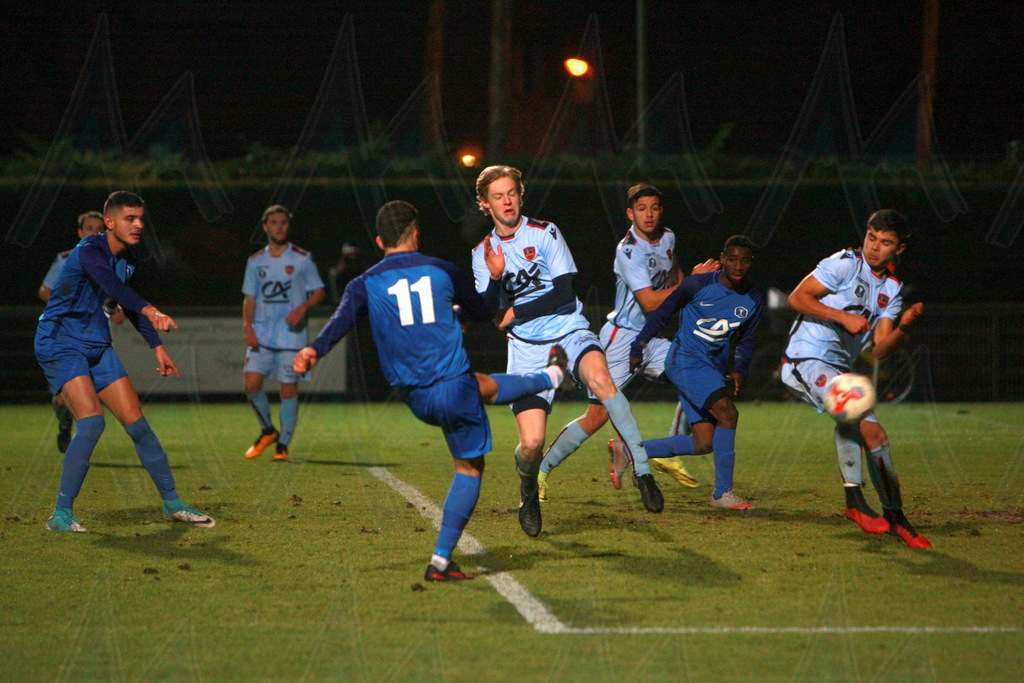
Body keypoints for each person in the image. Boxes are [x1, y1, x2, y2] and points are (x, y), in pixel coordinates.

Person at [294, 200, 573, 582]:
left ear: (380, 241)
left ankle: (551, 376)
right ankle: (441, 559)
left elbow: (341, 321)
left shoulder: (363, 283)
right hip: (452, 389)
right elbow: (483, 312)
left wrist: (313, 350)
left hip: (414, 397)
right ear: (416, 233)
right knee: (469, 468)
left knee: (482, 385)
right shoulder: (443, 270)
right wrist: (494, 277)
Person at [470, 165, 664, 537]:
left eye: (512, 193)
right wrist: (495, 277)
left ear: (520, 195)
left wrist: (517, 311)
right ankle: (528, 486)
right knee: (531, 444)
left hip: (569, 331)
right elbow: (490, 314)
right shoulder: (483, 253)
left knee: (603, 380)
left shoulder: (545, 232)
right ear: (485, 204)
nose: (507, 201)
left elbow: (562, 294)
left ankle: (643, 471)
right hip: (527, 351)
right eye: (498, 196)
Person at [34, 190, 215, 532]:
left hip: (96, 343)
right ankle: (61, 515)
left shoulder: (129, 257)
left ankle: (173, 504)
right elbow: (114, 288)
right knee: (92, 423)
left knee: (138, 424)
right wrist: (151, 309)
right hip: (60, 341)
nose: (138, 225)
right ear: (109, 222)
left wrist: (156, 347)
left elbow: (127, 303)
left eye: (141, 219)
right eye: (130, 218)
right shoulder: (90, 250)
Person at [537, 183, 718, 500]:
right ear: (630, 214)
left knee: (697, 372)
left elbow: (674, 274)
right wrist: (692, 285)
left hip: (652, 339)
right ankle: (540, 471)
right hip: (621, 340)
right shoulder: (628, 250)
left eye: (654, 208)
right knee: (597, 417)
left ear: (661, 211)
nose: (649, 214)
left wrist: (690, 288)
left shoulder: (668, 237)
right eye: (642, 209)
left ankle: (668, 450)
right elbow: (649, 301)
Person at [780, 209, 929, 548]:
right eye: (871, 237)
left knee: (873, 434)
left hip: (838, 368)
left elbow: (880, 349)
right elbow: (797, 298)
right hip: (805, 358)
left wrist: (904, 327)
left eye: (885, 242)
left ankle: (887, 514)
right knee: (865, 426)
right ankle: (866, 507)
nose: (874, 247)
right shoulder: (844, 264)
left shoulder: (891, 289)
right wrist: (841, 317)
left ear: (899, 249)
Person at [611, 235, 764, 509]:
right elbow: (662, 314)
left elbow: (746, 339)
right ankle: (722, 494)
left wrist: (740, 368)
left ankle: (630, 450)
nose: (738, 266)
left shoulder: (753, 298)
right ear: (722, 259)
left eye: (744, 261)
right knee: (728, 413)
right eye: (732, 259)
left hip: (712, 369)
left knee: (703, 443)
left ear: (752, 262)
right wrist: (638, 345)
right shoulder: (697, 285)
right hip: (684, 361)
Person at [242, 205, 326, 461]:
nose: (279, 227)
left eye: (283, 223)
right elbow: (249, 298)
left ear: (288, 226)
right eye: (274, 223)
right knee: (251, 385)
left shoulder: (302, 258)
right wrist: (247, 326)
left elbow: (319, 292)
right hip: (262, 336)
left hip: (291, 337)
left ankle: (283, 445)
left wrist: (302, 308)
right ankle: (268, 431)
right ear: (265, 227)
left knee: (288, 391)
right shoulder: (255, 261)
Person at [39, 211, 125, 453]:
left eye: (99, 229)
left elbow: (114, 300)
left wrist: (117, 309)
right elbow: (45, 291)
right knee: (62, 399)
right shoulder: (66, 259)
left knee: (89, 399)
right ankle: (65, 425)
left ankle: (79, 448)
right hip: (64, 338)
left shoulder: (113, 262)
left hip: (95, 343)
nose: (94, 233)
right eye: (89, 228)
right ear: (80, 233)